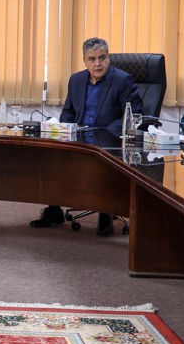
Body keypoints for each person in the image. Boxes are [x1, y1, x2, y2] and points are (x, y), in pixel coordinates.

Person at [30, 37, 143, 236]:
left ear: (108, 57)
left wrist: (103, 133)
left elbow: (133, 116)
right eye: (92, 59)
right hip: (79, 140)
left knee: (101, 161)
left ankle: (106, 210)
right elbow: (68, 112)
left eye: (102, 58)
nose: (97, 64)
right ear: (84, 61)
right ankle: (54, 210)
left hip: (109, 143)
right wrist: (67, 130)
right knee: (49, 156)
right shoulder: (76, 80)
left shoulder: (122, 80)